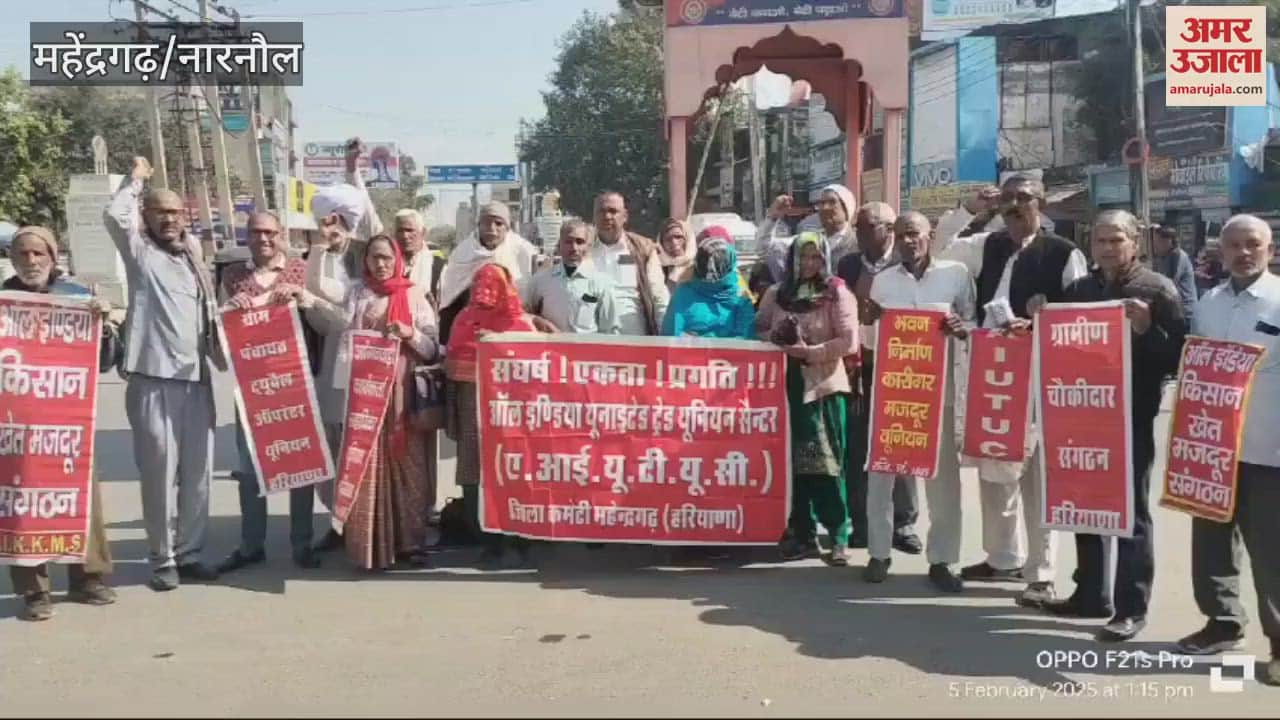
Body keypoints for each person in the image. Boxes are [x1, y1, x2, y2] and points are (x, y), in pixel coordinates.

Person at [1043, 210, 1185, 642]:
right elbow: (1060, 345)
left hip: (1132, 416)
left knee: (1130, 513)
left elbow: (1177, 357)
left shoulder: (1157, 290)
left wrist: (1145, 330)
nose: (1107, 248)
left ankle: (1131, 607)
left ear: (1135, 241)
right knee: (1083, 502)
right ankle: (1090, 593)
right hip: (1083, 413)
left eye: (1116, 240)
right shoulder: (1081, 289)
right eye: (1101, 240)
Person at [950, 173, 1090, 609]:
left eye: (1023, 198)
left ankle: (1042, 573)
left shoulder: (1064, 253)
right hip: (992, 377)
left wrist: (1039, 325)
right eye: (1008, 199)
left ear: (1041, 203)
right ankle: (1002, 557)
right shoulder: (987, 245)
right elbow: (940, 252)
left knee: (1038, 480)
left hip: (1037, 381)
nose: (1014, 206)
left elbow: (1080, 317)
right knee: (995, 474)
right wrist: (973, 211)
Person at [103, 156, 225, 592]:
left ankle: (190, 552)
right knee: (159, 471)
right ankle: (162, 557)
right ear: (146, 216)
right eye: (161, 211)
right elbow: (114, 215)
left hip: (196, 379)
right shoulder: (139, 251)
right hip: (153, 377)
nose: (170, 219)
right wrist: (137, 180)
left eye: (175, 212)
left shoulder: (192, 253)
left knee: (198, 473)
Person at [1175, 215, 1280, 686]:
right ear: (1220, 251)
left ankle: (1279, 642)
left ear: (1269, 248)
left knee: (1270, 549)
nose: (1243, 252)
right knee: (1212, 539)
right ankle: (1222, 621)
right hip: (1211, 445)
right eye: (1234, 245)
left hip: (1268, 445)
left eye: (1252, 244)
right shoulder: (1210, 303)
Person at [308, 235, 440, 571]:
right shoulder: (358, 294)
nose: (380, 264)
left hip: (402, 392)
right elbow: (340, 328)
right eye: (374, 258)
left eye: (386, 257)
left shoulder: (414, 294)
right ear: (365, 261)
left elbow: (433, 349)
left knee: (408, 464)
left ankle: (410, 542)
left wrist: (409, 333)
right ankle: (368, 544)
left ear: (396, 259)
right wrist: (309, 288)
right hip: (365, 393)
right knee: (366, 465)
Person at [4, 226, 117, 620]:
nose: (31, 262)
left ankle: (88, 579)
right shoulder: (5, 300)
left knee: (81, 498)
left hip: (69, 424)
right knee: (23, 503)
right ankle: (35, 592)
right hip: (18, 428)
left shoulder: (75, 297)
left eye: (38, 254)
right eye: (22, 255)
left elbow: (104, 361)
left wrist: (103, 324)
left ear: (53, 257)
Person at [861, 212, 975, 591]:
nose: (908, 241)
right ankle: (879, 554)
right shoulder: (883, 281)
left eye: (914, 234)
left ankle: (943, 559)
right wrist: (869, 320)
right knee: (881, 475)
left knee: (943, 481)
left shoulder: (955, 274)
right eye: (901, 235)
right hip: (893, 392)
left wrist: (961, 328)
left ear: (929, 235)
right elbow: (870, 343)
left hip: (937, 392)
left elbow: (974, 327)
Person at [217, 212, 330, 573]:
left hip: (295, 383)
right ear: (246, 236)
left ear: (282, 235)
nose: (263, 239)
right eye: (255, 232)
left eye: (269, 232)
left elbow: (327, 322)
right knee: (249, 469)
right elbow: (218, 341)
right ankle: (252, 544)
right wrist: (227, 312)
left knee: (300, 463)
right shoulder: (233, 276)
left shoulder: (300, 270)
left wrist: (304, 297)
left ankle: (302, 542)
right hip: (250, 386)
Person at [756, 232, 857, 566]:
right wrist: (778, 336)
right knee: (794, 466)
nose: (810, 263)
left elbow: (848, 342)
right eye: (804, 256)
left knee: (828, 465)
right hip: (786, 389)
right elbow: (759, 329)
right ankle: (803, 533)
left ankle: (839, 535)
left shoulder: (835, 292)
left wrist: (810, 352)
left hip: (824, 387)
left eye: (816, 257)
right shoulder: (777, 293)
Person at [836, 201, 922, 554]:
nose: (859, 233)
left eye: (867, 227)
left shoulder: (905, 261)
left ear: (887, 229)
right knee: (858, 445)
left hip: (901, 367)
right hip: (859, 367)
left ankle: (903, 523)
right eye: (857, 227)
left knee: (900, 446)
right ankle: (862, 521)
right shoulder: (849, 264)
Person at [444, 263, 538, 568]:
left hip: (512, 415)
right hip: (472, 410)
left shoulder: (520, 324)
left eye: (493, 284)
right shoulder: (464, 319)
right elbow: (454, 367)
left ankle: (520, 538)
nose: (485, 290)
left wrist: (498, 347)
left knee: (513, 472)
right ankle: (489, 541)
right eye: (479, 283)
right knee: (473, 474)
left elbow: (536, 369)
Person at [304, 181, 373, 554]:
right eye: (328, 223)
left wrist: (355, 172)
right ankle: (337, 523)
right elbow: (314, 289)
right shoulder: (319, 257)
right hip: (332, 369)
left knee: (359, 449)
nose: (335, 230)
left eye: (340, 223)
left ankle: (364, 520)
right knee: (331, 448)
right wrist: (320, 246)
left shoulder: (366, 261)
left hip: (366, 373)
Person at [437, 201, 540, 344]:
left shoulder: (524, 251)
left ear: (507, 227)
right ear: (478, 226)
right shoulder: (462, 253)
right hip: (472, 326)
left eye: (498, 223)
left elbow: (533, 295)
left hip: (512, 327)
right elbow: (450, 299)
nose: (492, 228)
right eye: (486, 223)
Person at [589, 192, 670, 335]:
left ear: (625, 216)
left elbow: (658, 296)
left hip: (633, 337)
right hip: (593, 335)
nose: (607, 216)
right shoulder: (584, 249)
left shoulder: (642, 248)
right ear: (594, 216)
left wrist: (664, 337)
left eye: (613, 211)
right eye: (601, 211)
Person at [524, 219, 621, 335]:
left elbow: (610, 330)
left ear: (588, 246)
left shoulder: (601, 284)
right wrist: (538, 321)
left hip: (586, 350)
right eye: (568, 242)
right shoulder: (540, 281)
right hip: (551, 349)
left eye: (579, 242)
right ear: (559, 245)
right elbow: (524, 317)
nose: (574, 248)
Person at [664, 230, 756, 339]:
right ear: (731, 264)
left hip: (689, 355)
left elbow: (670, 338)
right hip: (730, 356)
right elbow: (745, 341)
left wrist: (700, 341)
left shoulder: (682, 293)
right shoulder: (741, 298)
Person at [393, 208, 447, 306]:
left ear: (423, 232)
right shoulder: (387, 262)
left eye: (409, 230)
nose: (405, 236)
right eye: (400, 230)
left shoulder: (437, 265)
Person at [1149, 225, 1196, 327]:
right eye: (1155, 241)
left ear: (1169, 241)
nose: (1155, 245)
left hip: (1184, 311)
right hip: (1172, 310)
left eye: (1159, 241)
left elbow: (1168, 282)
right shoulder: (1162, 257)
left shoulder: (1178, 255)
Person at [657, 217, 696, 293]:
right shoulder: (656, 267)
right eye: (668, 239)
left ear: (687, 238)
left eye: (678, 237)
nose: (674, 243)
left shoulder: (700, 266)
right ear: (661, 244)